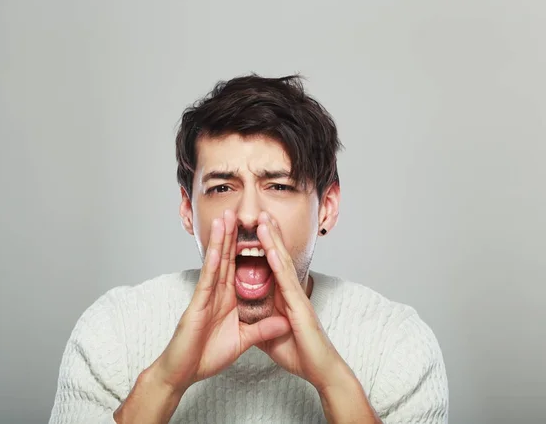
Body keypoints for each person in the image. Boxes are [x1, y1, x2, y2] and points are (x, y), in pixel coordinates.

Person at [49, 75, 448, 423]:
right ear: (188, 210)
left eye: (278, 186)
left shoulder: (397, 344)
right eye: (222, 187)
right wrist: (166, 382)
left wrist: (333, 381)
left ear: (327, 208)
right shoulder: (112, 333)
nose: (249, 215)